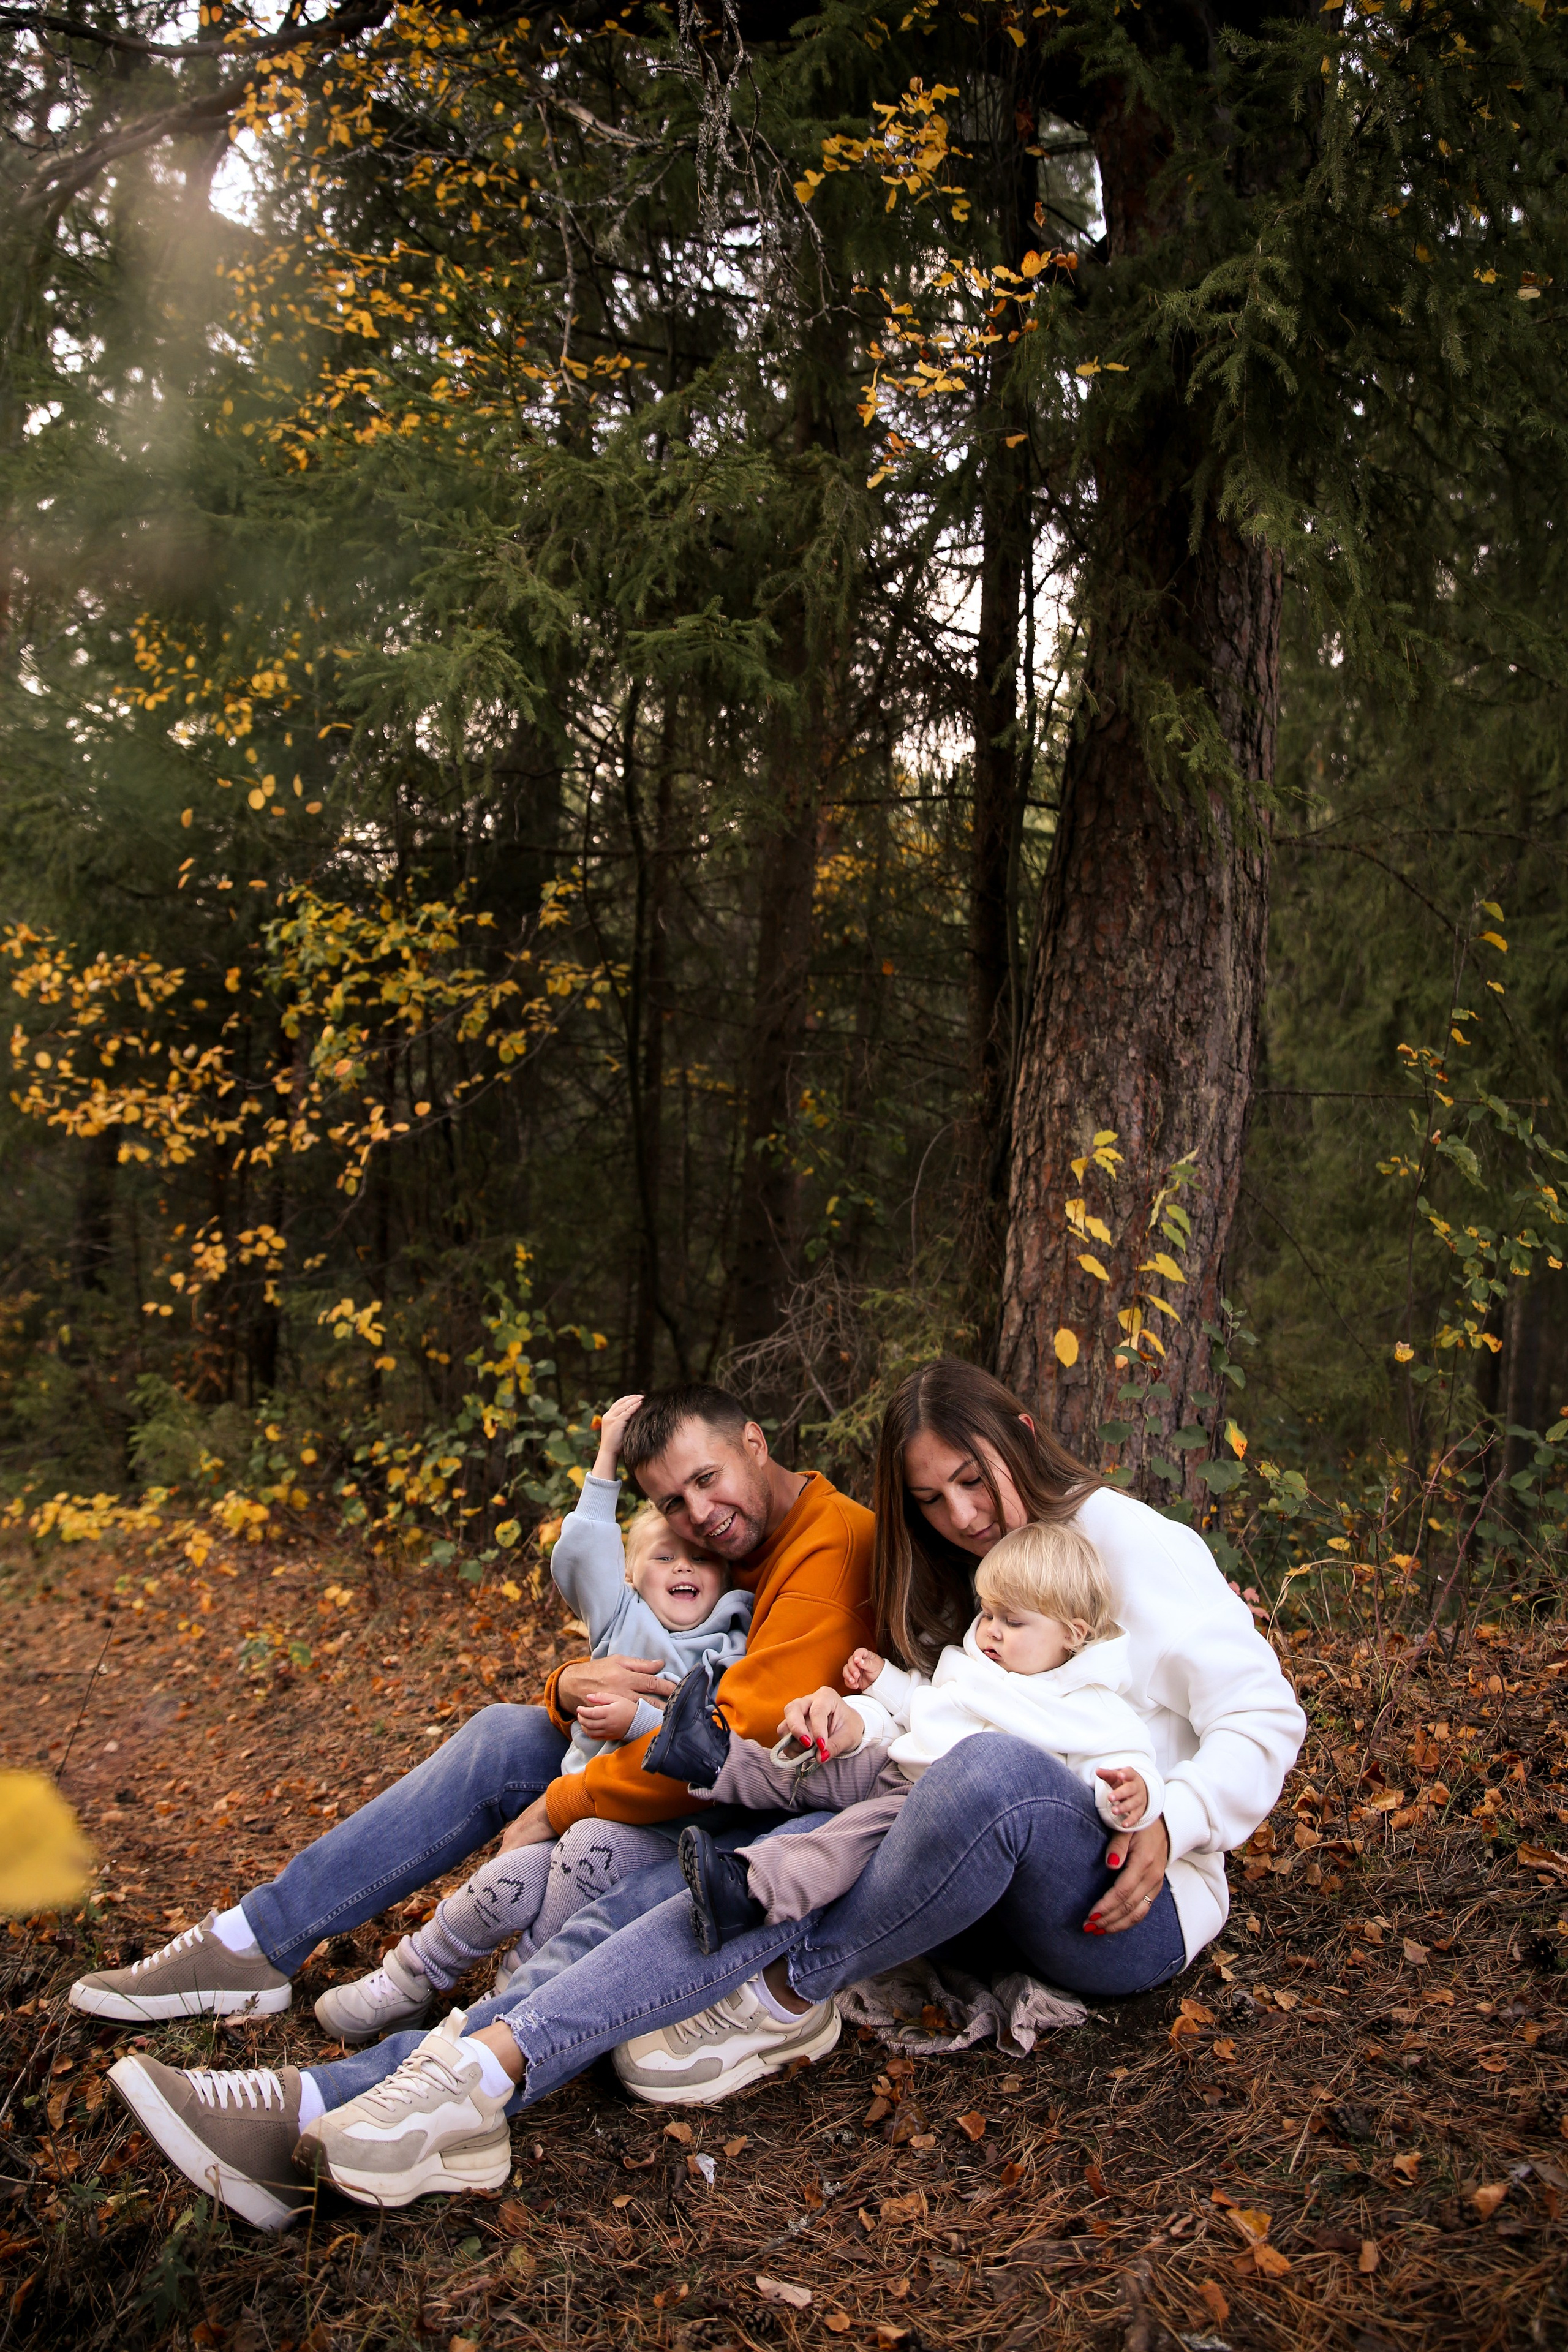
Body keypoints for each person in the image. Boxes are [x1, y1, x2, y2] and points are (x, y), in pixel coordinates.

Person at [102, 1358, 1303, 2223]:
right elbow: (898, 1710)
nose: (959, 1516)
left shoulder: (1120, 1540)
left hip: (1117, 1896)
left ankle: (783, 1989)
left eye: (970, 1486)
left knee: (897, 1808)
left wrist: (1182, 1819)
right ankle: (364, 2097)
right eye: (932, 1498)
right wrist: (858, 1708)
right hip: (941, 1843)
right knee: (741, 1871)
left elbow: (1257, 1713)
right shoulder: (956, 1580)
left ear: (1020, 1433)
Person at [313, 1395, 752, 2042]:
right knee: (509, 1875)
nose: (684, 1565)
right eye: (663, 1558)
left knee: (588, 1849)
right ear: (631, 1576)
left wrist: (636, 1722)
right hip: (579, 1804)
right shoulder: (623, 1620)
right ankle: (414, 1972)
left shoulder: (733, 1646)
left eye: (702, 1560)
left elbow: (720, 1740)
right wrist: (606, 1456)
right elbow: (580, 1555)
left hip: (662, 1823)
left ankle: (518, 1988)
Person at [671, 1518, 1159, 1951]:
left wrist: (1135, 1792)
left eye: (1013, 1622)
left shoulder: (1088, 1706)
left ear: (1072, 1635)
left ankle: (752, 1892)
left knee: (850, 1839)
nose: (990, 1631)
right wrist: (882, 1678)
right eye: (988, 1613)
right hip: (898, 1762)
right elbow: (924, 1703)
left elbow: (1126, 1761)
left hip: (933, 1812)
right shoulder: (978, 1663)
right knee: (812, 1761)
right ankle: (711, 1756)